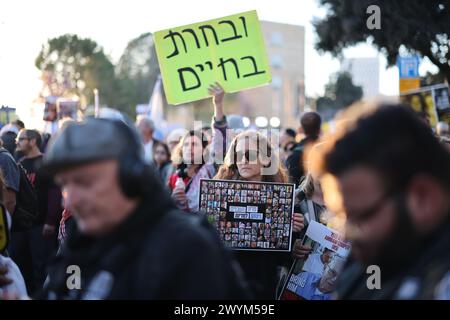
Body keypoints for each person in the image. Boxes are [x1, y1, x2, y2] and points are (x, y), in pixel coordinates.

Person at [2, 118, 248, 299]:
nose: (71, 200)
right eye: (65, 185)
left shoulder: (186, 248)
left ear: (131, 179)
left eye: (85, 182)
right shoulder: (81, 242)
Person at [316, 103, 450, 300]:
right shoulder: (374, 257)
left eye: (361, 216)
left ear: (423, 197)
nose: (346, 235)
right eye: (341, 217)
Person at [214, 130, 304, 299]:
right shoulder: (220, 193)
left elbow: (282, 257)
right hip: (227, 284)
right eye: (238, 155)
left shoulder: (282, 197)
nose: (243, 160)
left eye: (250, 154)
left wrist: (289, 235)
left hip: (264, 286)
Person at [10, 129, 62, 294]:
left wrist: (50, 221)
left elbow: (55, 194)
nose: (17, 141)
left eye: (22, 139)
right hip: (22, 226)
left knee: (40, 267)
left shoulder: (46, 163)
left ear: (33, 141)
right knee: (20, 264)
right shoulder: (20, 163)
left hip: (40, 225)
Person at [168, 130, 215, 212]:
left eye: (194, 144)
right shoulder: (174, 177)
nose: (189, 148)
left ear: (204, 150)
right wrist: (172, 200)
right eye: (186, 145)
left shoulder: (211, 173)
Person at [286, 112, 321, 186]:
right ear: (319, 129)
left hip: (302, 195)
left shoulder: (295, 153)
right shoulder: (329, 150)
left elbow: (291, 182)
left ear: (301, 129)